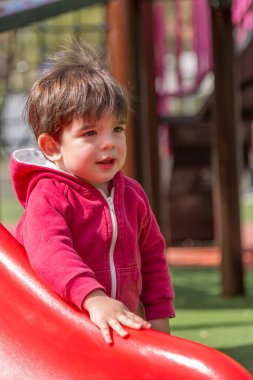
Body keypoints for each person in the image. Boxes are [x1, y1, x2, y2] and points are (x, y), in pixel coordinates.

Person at [10, 40, 175, 344]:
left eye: (117, 128)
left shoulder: (132, 195)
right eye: (90, 133)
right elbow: (52, 254)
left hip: (117, 328)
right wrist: (93, 298)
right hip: (59, 334)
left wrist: (159, 315)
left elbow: (152, 257)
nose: (110, 142)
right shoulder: (48, 196)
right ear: (52, 146)